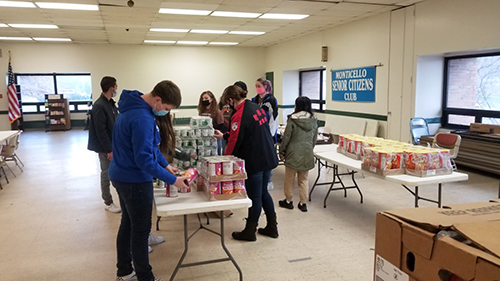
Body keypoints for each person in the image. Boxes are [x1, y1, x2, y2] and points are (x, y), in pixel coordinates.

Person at [109, 80, 189, 281]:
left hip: (120, 175)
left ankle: (125, 271)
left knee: (128, 224)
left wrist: (165, 165)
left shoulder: (132, 106)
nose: (166, 113)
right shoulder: (142, 118)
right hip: (134, 180)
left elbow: (151, 147)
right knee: (140, 231)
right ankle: (146, 277)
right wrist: (173, 180)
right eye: (167, 109)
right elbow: (144, 159)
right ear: (158, 100)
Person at [214, 85, 279, 242]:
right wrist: (224, 136)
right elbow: (244, 131)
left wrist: (225, 161)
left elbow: (235, 141)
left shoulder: (240, 113)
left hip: (255, 159)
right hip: (267, 156)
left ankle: (250, 231)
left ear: (231, 100)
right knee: (263, 193)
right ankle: (272, 227)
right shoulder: (254, 107)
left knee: (255, 196)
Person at [278, 96, 318, 212]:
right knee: (304, 179)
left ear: (297, 105)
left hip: (292, 153)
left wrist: (282, 151)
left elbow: (287, 137)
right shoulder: (313, 120)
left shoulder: (293, 119)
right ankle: (303, 203)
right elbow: (314, 139)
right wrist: (309, 149)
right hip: (307, 153)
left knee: (289, 179)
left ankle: (288, 201)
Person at [87, 76, 120, 213]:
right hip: (105, 148)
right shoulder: (99, 106)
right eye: (116, 87)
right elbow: (101, 131)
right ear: (111, 88)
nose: (117, 89)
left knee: (114, 173)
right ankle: (108, 202)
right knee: (106, 173)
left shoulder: (110, 103)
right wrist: (109, 150)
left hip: (113, 145)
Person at [252, 77, 279, 190]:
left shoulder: (271, 100)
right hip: (256, 133)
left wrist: (270, 134)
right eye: (256, 86)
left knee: (268, 158)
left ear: (265, 87)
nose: (257, 88)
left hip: (268, 133)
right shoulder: (253, 100)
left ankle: (269, 180)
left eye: (259, 86)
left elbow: (274, 118)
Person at [197, 90, 224, 155]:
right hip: (204, 137)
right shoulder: (202, 111)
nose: (204, 100)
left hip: (214, 138)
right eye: (202, 99)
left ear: (211, 99)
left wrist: (209, 127)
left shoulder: (216, 111)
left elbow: (220, 125)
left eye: (206, 98)